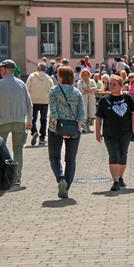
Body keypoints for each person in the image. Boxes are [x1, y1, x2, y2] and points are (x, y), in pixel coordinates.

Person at [0, 59, 31, 188]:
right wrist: (29, 120)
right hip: (19, 122)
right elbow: (29, 104)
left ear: (5, 70)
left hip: (2, 122)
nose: (0, 72)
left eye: (1, 69)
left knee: (0, 150)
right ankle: (16, 178)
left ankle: (3, 176)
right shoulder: (21, 84)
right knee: (18, 150)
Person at [48, 65, 86, 199]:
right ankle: (67, 186)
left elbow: (53, 112)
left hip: (56, 127)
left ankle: (60, 179)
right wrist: (78, 126)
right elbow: (81, 114)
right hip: (73, 127)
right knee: (70, 159)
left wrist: (56, 126)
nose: (57, 77)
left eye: (58, 74)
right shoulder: (77, 92)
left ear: (62, 76)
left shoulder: (54, 90)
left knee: (54, 157)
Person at [96, 75, 134, 191]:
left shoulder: (128, 98)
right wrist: (97, 132)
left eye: (114, 84)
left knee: (123, 154)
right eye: (110, 84)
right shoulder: (104, 100)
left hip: (126, 132)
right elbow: (99, 117)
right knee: (113, 154)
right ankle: (115, 181)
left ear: (121, 86)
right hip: (109, 133)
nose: (111, 86)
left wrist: (133, 129)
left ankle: (120, 177)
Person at [26, 62, 54, 146]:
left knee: (32, 118)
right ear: (45, 69)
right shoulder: (48, 78)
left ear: (37, 68)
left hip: (33, 101)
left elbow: (27, 88)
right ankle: (42, 138)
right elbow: (52, 90)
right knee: (43, 119)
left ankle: (34, 131)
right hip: (44, 101)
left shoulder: (31, 76)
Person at [76, 68, 98, 135]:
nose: (86, 76)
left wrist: (88, 90)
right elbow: (80, 90)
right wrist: (89, 90)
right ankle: (84, 127)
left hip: (91, 98)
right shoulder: (80, 82)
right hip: (83, 99)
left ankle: (88, 127)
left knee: (90, 112)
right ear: (82, 75)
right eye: (84, 75)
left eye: (87, 74)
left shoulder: (92, 81)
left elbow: (95, 88)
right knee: (84, 112)